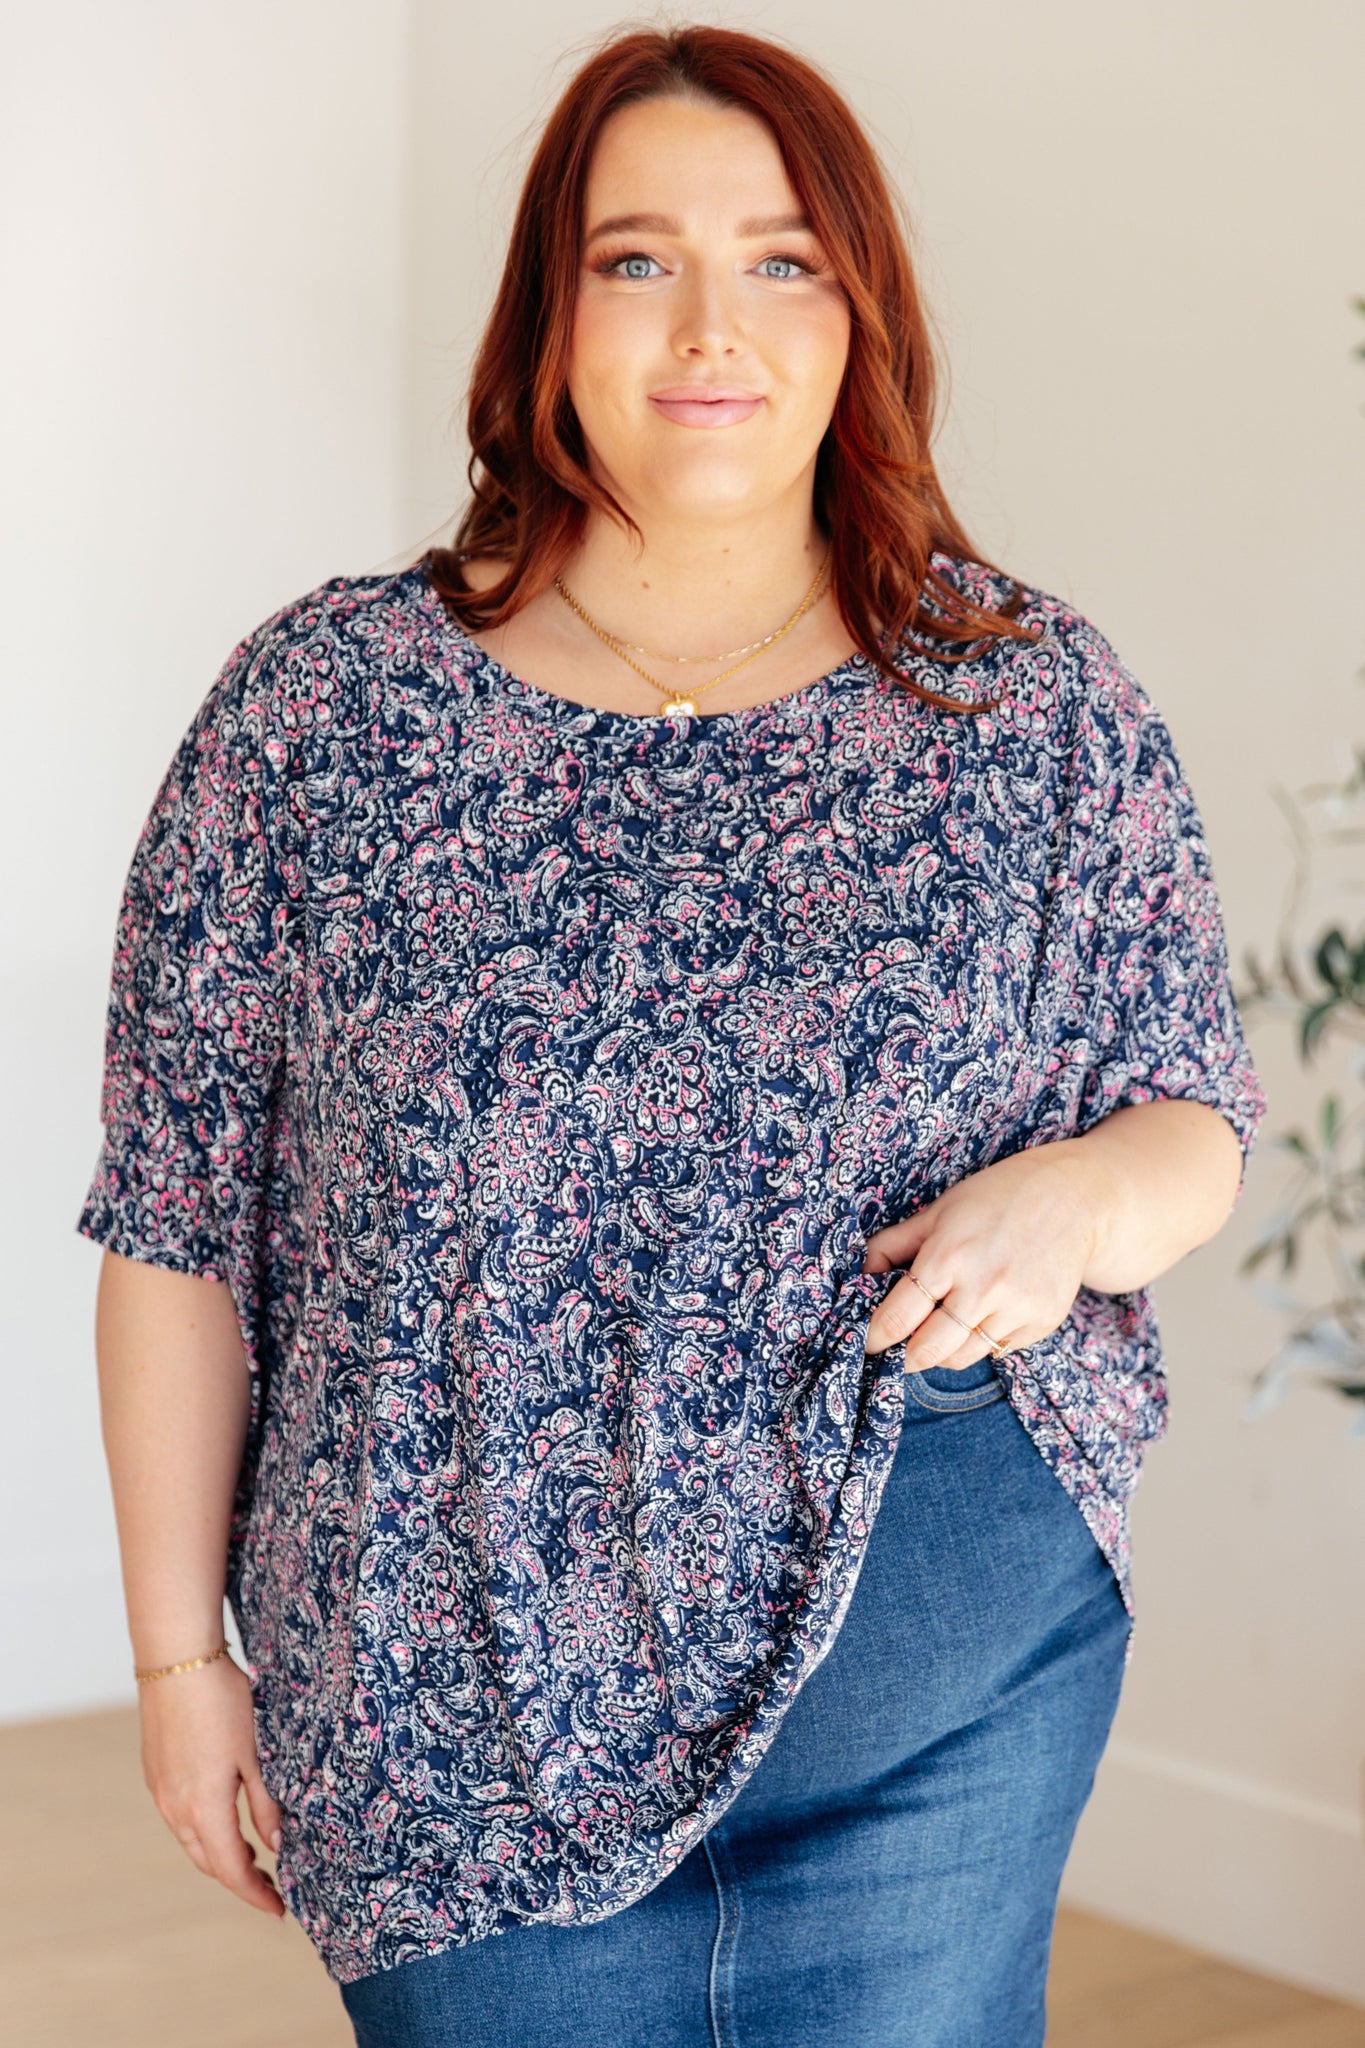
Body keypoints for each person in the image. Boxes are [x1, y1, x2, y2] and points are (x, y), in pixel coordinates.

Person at [79, 23, 1266, 2048]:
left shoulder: (1027, 706)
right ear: (547, 318)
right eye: (635, 260)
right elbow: (172, 1227)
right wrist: (179, 1667)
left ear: (858, 315)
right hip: (439, 1701)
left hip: (930, 1673)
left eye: (781, 262)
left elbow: (1193, 1122)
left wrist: (1073, 1200)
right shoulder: (322, 712)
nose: (710, 325)